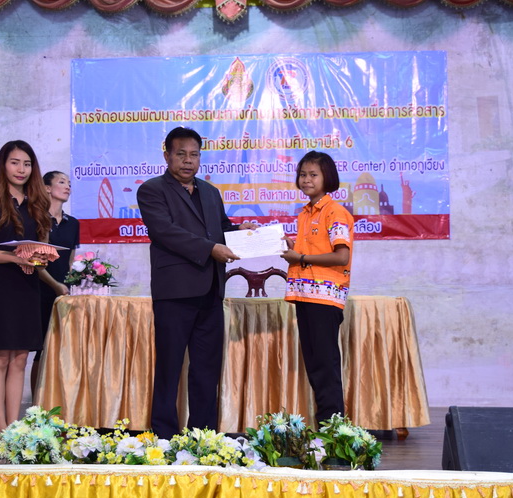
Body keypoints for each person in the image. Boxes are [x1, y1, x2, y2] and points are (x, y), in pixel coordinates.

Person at [137, 126, 256, 439]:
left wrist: (240, 231)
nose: (188, 161)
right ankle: (164, 437)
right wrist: (210, 248)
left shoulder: (210, 192)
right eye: (181, 154)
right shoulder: (152, 190)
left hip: (211, 290)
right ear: (167, 156)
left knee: (206, 368)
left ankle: (203, 435)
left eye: (194, 155)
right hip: (174, 292)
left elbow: (219, 229)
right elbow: (165, 231)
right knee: (170, 367)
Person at [0, 140, 52, 435]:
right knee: (0, 358)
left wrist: (41, 257)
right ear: (3, 165)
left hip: (28, 286)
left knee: (20, 359)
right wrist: (14, 257)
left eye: (27, 164)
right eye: (15, 162)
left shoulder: (38, 204)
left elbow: (40, 248)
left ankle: (13, 428)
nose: (21, 169)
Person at [280, 151, 354, 426]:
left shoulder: (334, 212)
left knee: (325, 366)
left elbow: (341, 256)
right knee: (314, 365)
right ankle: (325, 427)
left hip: (324, 299)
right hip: (305, 296)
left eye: (313, 174)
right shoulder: (305, 213)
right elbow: (311, 251)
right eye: (302, 174)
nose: (306, 180)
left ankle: (333, 431)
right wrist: (293, 248)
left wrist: (300, 257)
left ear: (327, 178)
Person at [31, 171, 80, 396]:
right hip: (41, 290)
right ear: (47, 188)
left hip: (64, 293)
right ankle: (37, 404)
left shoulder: (73, 223)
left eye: (69, 183)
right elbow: (36, 263)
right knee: (42, 349)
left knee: (62, 349)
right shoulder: (36, 219)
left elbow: (70, 260)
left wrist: (71, 285)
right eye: (62, 182)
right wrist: (55, 285)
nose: (68, 186)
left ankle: (58, 400)